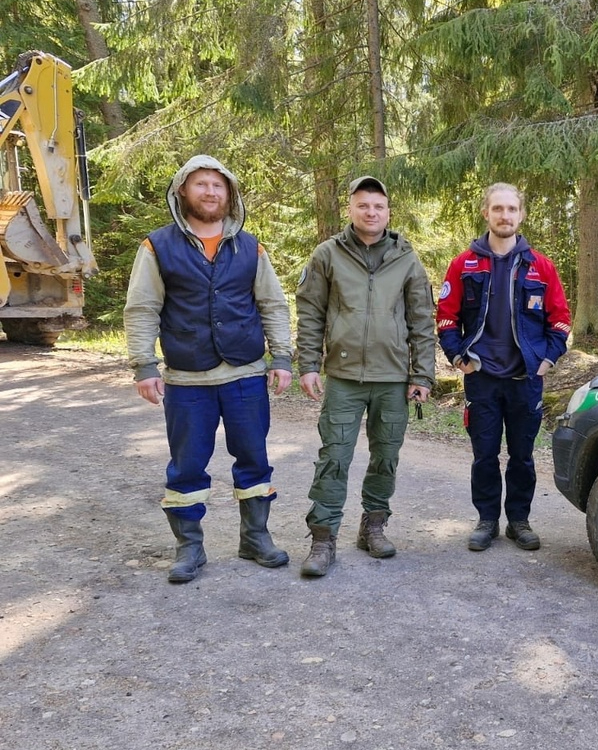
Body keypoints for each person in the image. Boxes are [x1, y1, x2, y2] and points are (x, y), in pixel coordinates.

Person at [124, 155, 294, 584]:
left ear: (230, 193)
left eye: (218, 185)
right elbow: (143, 307)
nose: (211, 192)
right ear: (182, 190)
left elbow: (272, 304)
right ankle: (190, 548)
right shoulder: (157, 246)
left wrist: (283, 357)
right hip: (186, 380)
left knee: (254, 459)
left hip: (246, 375)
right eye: (201, 184)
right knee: (186, 466)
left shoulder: (250, 246)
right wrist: (144, 365)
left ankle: (255, 538)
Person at [295, 176, 436, 577]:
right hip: (342, 378)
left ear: (388, 212)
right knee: (334, 458)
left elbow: (422, 322)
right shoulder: (327, 255)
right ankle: (323, 539)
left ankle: (374, 525)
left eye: (378, 206)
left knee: (386, 457)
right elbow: (310, 314)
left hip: (392, 378)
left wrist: (421, 375)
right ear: (351, 210)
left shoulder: (407, 258)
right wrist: (308, 364)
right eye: (363, 205)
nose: (371, 212)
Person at [437, 182, 571, 551]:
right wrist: (457, 357)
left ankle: (519, 521)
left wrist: (547, 358)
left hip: (525, 379)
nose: (505, 215)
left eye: (512, 209)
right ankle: (486, 521)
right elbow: (446, 318)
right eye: (498, 209)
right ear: (486, 213)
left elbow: (560, 320)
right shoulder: (463, 264)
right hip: (481, 378)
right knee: (484, 455)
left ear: (521, 215)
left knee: (523, 457)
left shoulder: (540, 267)